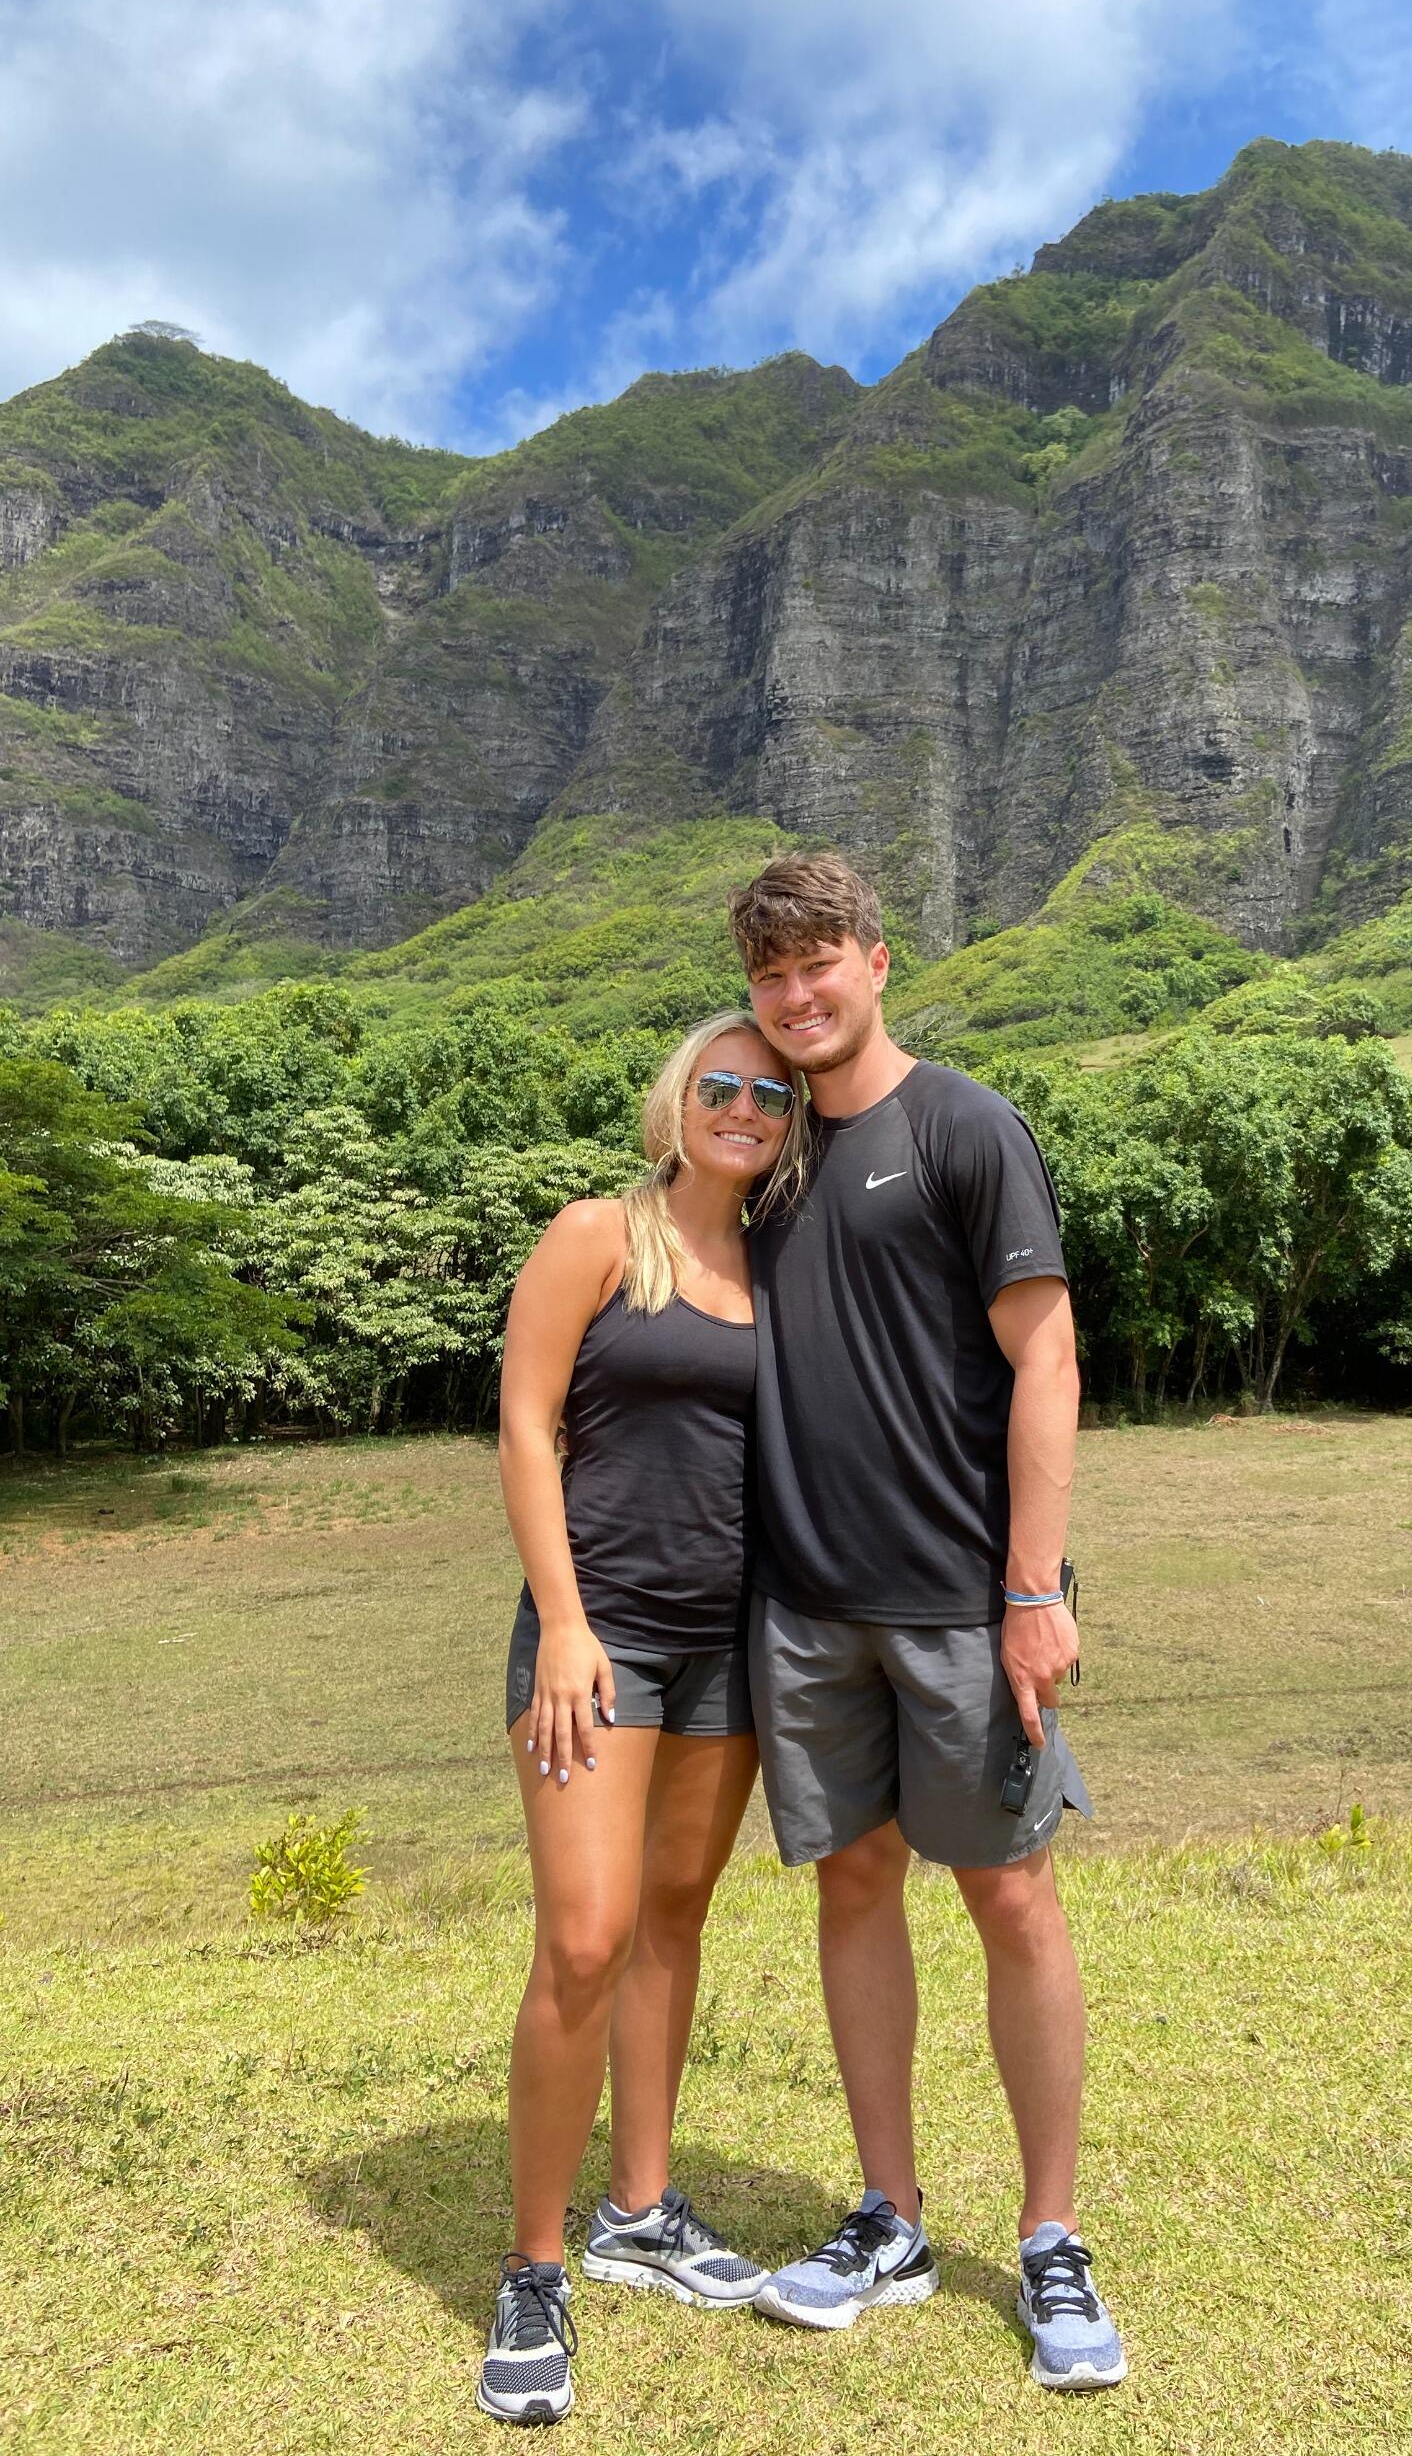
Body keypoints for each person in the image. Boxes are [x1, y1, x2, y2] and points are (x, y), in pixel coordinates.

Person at [728, 852, 1127, 2392]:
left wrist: (1036, 1592)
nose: (798, 995)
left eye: (820, 962)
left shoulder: (963, 1126)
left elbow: (1047, 1361)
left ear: (877, 962)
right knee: (852, 1888)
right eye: (770, 977)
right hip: (811, 1608)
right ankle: (888, 2214)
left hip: (963, 1602)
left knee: (1013, 1897)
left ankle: (1050, 2238)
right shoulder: (760, 1153)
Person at [476, 1011, 807, 2427]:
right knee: (585, 1936)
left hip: (729, 1649)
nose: (745, 1107)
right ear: (677, 1102)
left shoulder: (785, 1265)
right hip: (597, 1647)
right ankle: (535, 2267)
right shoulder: (599, 1236)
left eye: (773, 1095)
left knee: (674, 1912)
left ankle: (642, 2210)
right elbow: (525, 1425)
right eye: (720, 1086)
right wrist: (561, 1621)